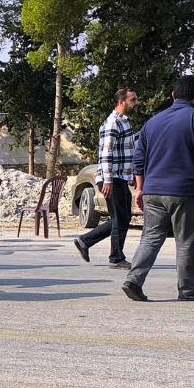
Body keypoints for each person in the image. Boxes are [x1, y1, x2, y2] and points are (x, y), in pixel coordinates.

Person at [122, 74, 194, 302]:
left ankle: (133, 281)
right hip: (184, 191)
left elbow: (139, 158)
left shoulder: (153, 122)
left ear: (173, 95)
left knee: (150, 238)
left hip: (153, 191)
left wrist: (139, 188)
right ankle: (187, 290)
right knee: (186, 241)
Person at [74, 89, 139, 269]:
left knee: (123, 218)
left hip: (120, 177)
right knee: (119, 218)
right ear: (121, 102)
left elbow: (127, 153)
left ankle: (85, 241)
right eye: (133, 100)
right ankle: (116, 258)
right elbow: (106, 154)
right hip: (111, 178)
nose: (136, 103)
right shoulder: (113, 123)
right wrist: (108, 180)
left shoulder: (125, 122)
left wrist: (131, 175)